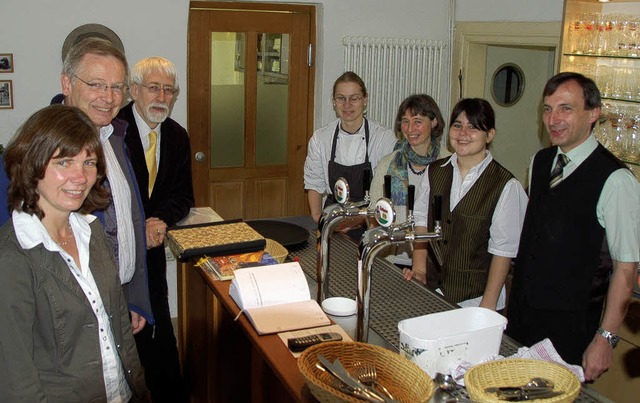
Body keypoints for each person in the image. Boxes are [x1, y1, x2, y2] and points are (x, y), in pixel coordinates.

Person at [0, 104, 148, 401]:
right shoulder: (12, 259)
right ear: (32, 164)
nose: (80, 177)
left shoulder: (92, 231)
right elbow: (17, 380)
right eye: (64, 163)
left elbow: (119, 326)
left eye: (89, 162)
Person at [506, 72, 640, 381]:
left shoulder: (616, 180)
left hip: (572, 330)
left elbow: (626, 268)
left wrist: (605, 339)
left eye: (566, 108)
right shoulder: (539, 162)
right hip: (523, 319)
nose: (553, 119)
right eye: (547, 109)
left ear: (593, 113)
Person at [53, 37, 154, 335]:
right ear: (67, 83)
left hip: (117, 299)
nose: (108, 98)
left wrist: (135, 297)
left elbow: (128, 221)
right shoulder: (40, 146)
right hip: (69, 316)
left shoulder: (113, 137)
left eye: (116, 87)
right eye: (96, 84)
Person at [404, 98, 527, 311]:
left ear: (489, 135)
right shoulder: (435, 172)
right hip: (434, 292)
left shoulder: (505, 185)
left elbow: (502, 252)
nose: (463, 134)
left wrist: (487, 306)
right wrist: (420, 269)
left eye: (473, 128)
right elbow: (422, 223)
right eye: (458, 126)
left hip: (476, 300)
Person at [118, 56, 193, 402]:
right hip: (118, 249)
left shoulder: (177, 136)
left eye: (168, 89)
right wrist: (139, 223)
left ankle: (170, 394)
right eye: (153, 87)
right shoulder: (113, 130)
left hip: (153, 248)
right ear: (134, 90)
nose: (161, 96)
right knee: (125, 329)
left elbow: (183, 196)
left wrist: (159, 219)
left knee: (161, 325)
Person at [304, 71, 397, 233]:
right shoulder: (321, 138)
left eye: (354, 98)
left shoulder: (383, 138)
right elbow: (314, 182)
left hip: (370, 222)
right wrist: (319, 218)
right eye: (341, 98)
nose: (347, 105)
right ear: (334, 102)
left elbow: (388, 190)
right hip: (331, 219)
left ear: (365, 100)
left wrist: (361, 221)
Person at [369, 94, 446, 266]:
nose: (410, 129)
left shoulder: (448, 164)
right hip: (392, 260)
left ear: (433, 122)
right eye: (405, 121)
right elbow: (374, 216)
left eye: (418, 121)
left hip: (435, 266)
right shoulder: (387, 164)